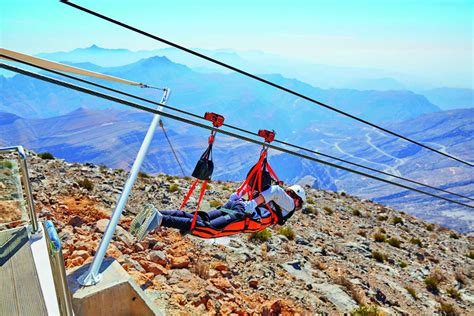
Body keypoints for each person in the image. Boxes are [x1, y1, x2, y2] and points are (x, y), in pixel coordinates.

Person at [130, 184, 306, 241]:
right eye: (298, 204)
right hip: (244, 214)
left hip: (239, 207)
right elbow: (275, 190)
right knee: (209, 229)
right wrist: (252, 203)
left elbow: (261, 189)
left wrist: (239, 196)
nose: (296, 207)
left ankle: (157, 212)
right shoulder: (288, 205)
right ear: (296, 197)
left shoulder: (276, 203)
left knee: (199, 217)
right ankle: (160, 219)